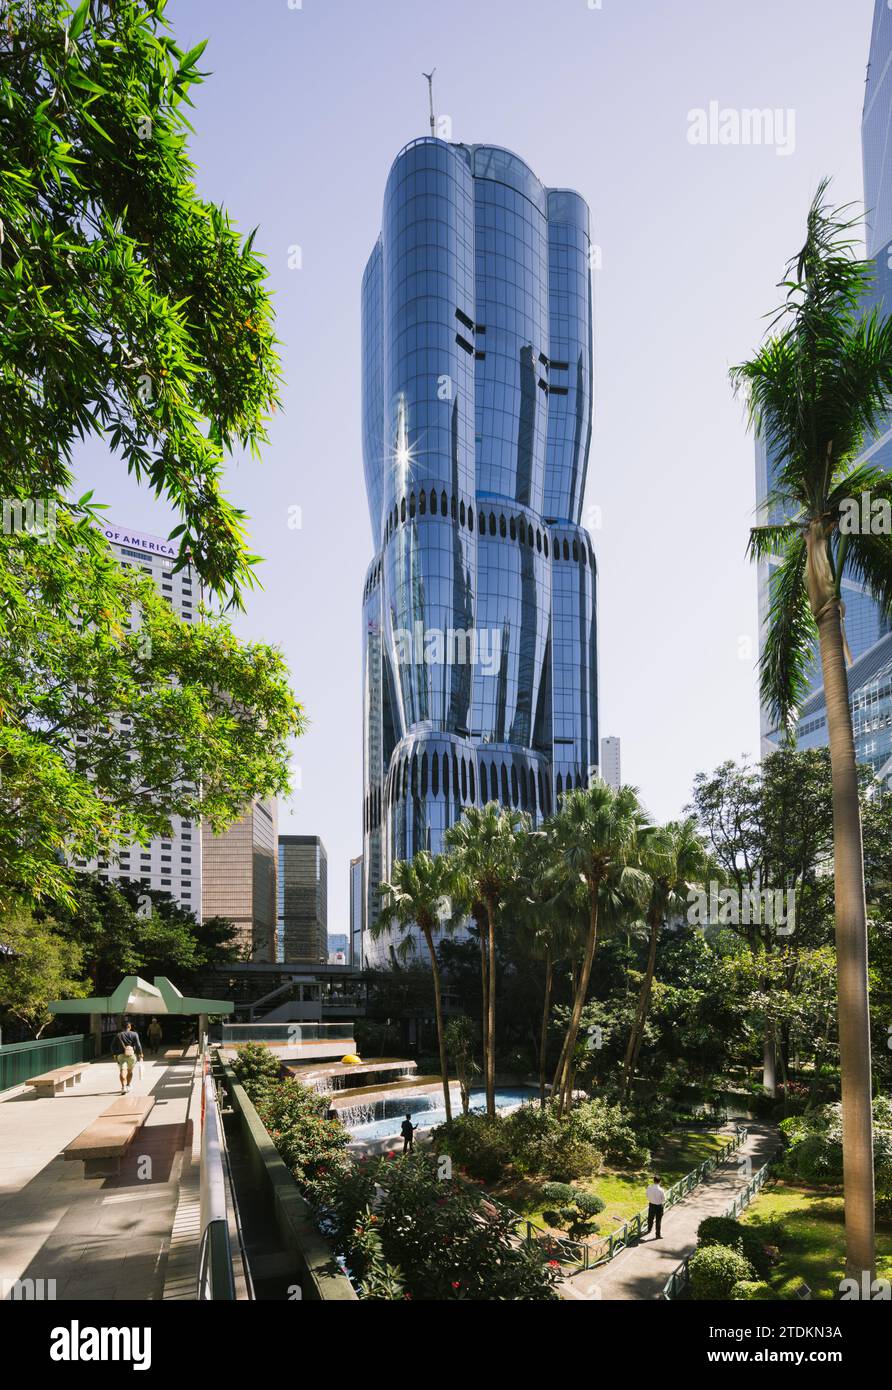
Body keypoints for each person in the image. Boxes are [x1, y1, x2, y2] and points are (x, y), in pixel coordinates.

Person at [112, 1018, 143, 1094]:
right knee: (130, 1071)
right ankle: (128, 1085)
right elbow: (138, 1045)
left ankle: (123, 1087)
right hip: (131, 1055)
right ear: (129, 1026)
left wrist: (114, 1054)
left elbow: (112, 1046)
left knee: (122, 1071)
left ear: (122, 1027)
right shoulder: (134, 1034)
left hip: (121, 1055)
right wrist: (140, 1054)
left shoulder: (118, 1035)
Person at [646, 1174, 666, 1240]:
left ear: (653, 1181)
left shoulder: (649, 1187)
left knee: (650, 1218)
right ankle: (657, 1235)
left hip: (651, 1205)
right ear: (660, 1181)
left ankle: (649, 1229)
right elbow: (663, 1199)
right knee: (658, 1221)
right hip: (659, 1206)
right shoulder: (661, 1190)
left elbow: (647, 1196)